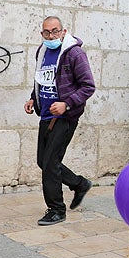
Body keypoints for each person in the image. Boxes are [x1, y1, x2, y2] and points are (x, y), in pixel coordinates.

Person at [24, 16, 96, 226]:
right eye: (47, 32)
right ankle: (79, 184)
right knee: (42, 161)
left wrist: (66, 104)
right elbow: (42, 79)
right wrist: (33, 97)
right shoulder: (43, 51)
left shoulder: (75, 53)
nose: (51, 36)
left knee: (50, 164)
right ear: (42, 34)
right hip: (45, 114)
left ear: (64, 31)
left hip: (64, 117)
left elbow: (88, 86)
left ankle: (56, 209)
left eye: (55, 31)